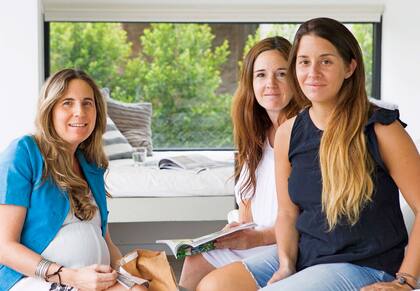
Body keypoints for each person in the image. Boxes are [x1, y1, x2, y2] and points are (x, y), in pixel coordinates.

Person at [256, 17, 420, 290]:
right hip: (309, 258)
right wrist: (286, 264)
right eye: (304, 61)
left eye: (326, 61)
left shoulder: (381, 128)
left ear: (349, 67)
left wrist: (406, 280)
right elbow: (286, 212)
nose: (313, 72)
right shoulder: (289, 132)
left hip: (366, 266)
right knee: (214, 284)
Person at [0, 69, 146, 291]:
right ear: (50, 110)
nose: (80, 112)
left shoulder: (92, 166)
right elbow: (4, 247)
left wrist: (129, 278)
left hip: (89, 281)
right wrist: (71, 277)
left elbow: (105, 240)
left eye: (87, 103)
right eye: (67, 103)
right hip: (35, 279)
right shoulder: (25, 152)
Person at [179, 36, 300, 291]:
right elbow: (247, 205)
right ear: (250, 81)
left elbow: (306, 217)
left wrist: (255, 238)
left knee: (212, 286)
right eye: (261, 75)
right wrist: (231, 232)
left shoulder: (303, 132)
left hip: (287, 242)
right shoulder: (254, 133)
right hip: (256, 237)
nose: (271, 84)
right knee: (193, 262)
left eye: (281, 74)